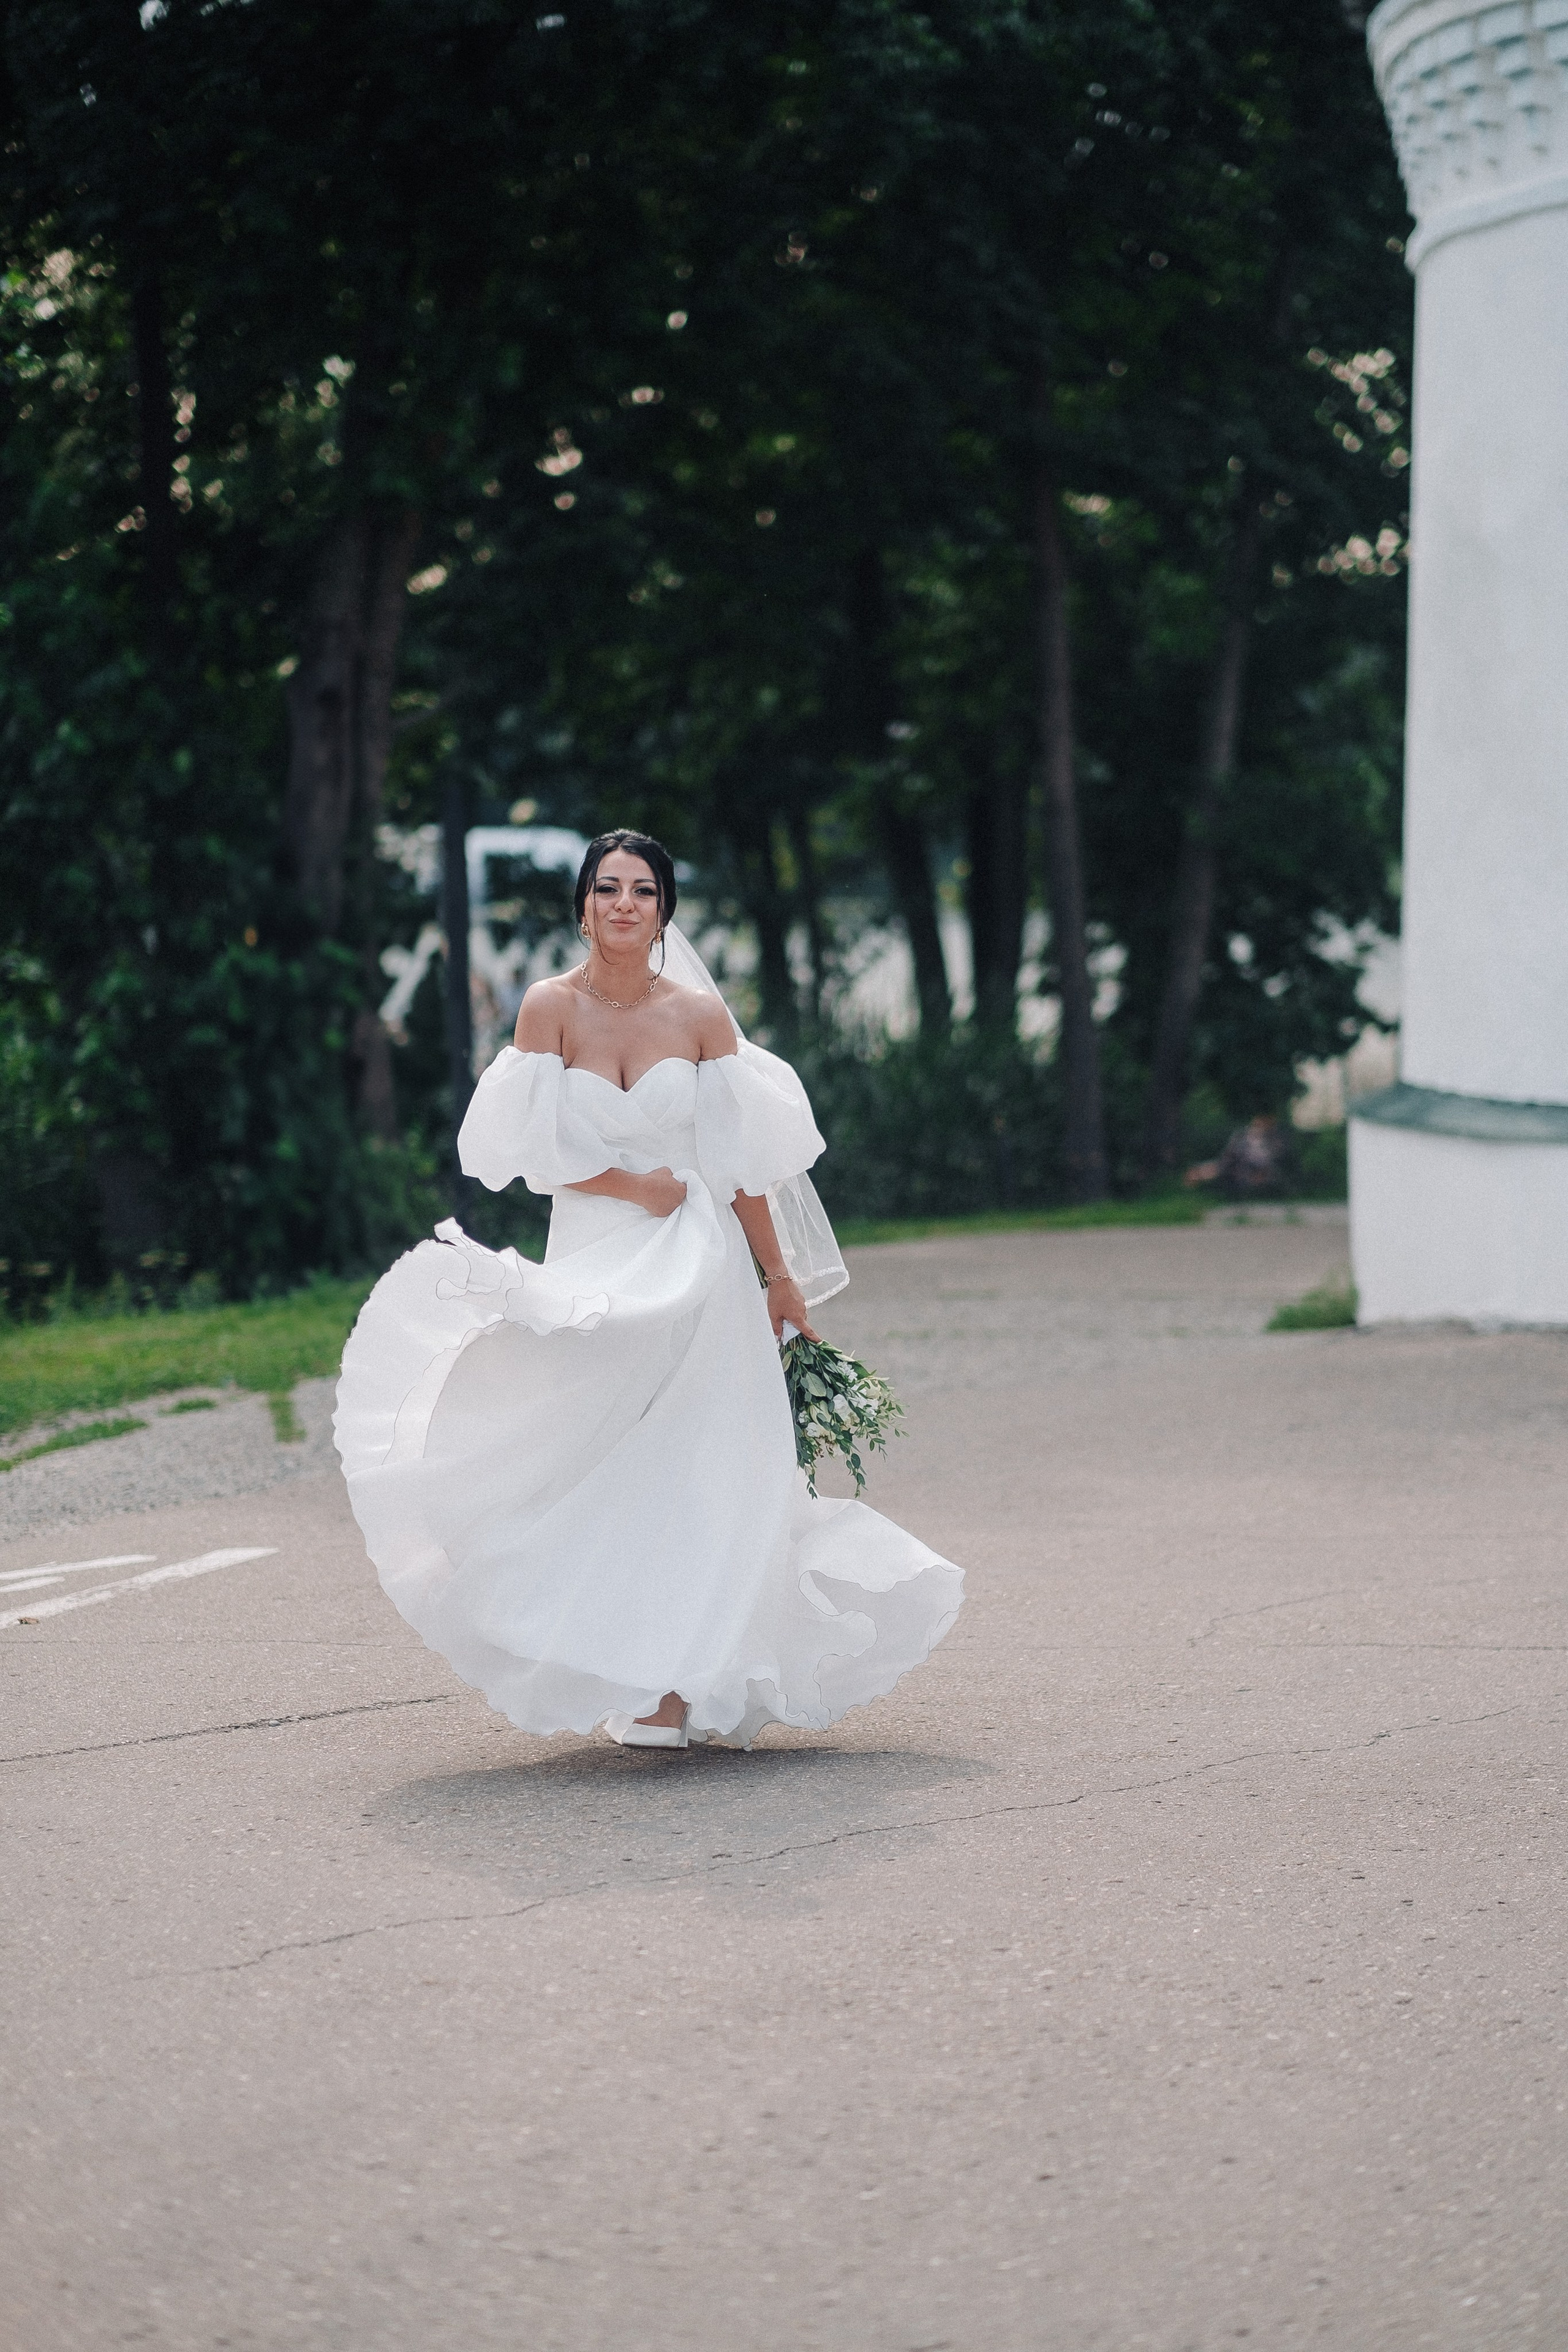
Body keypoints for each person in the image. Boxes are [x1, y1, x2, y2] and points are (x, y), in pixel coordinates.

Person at [334, 829, 962, 1750]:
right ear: (583, 907)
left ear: (664, 910)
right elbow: (530, 1152)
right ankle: (612, 1655)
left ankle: (679, 1684)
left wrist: (779, 1277)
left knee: (700, 1465)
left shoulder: (700, 1017)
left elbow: (740, 1165)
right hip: (598, 1257)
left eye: (642, 890)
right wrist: (633, 1187)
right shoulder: (549, 1010)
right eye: (607, 888)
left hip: (701, 1267)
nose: (624, 903)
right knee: (593, 1454)